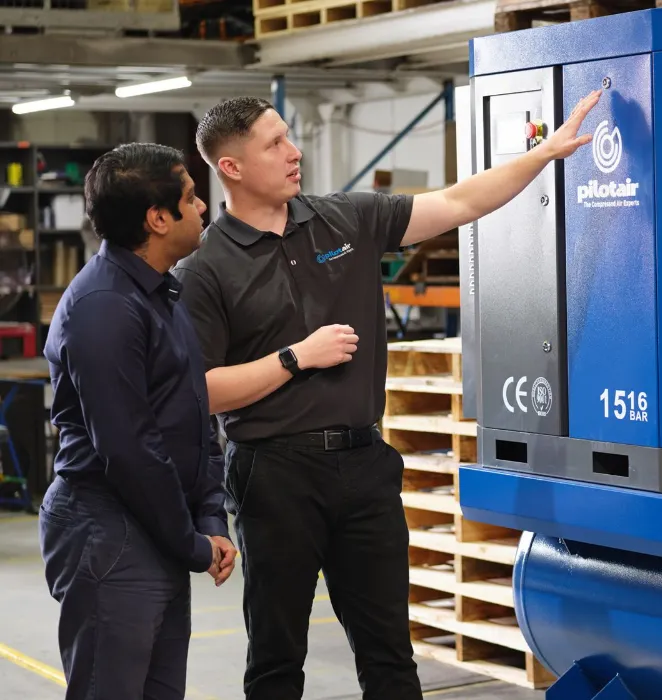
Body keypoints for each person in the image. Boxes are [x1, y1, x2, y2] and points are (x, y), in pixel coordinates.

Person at [173, 90, 599, 699]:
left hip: (363, 466)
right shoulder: (205, 268)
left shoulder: (345, 219)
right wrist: (296, 358)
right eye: (275, 145)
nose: (294, 152)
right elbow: (204, 391)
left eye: (290, 136)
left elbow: (456, 202)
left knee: (390, 658)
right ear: (231, 168)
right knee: (276, 657)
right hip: (274, 474)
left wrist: (545, 154)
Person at [39, 142, 239, 700]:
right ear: (158, 218)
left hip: (158, 525)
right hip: (111, 530)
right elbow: (129, 449)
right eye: (192, 198)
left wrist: (209, 518)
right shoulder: (104, 306)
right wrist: (192, 542)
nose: (204, 208)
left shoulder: (158, 294)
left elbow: (192, 415)